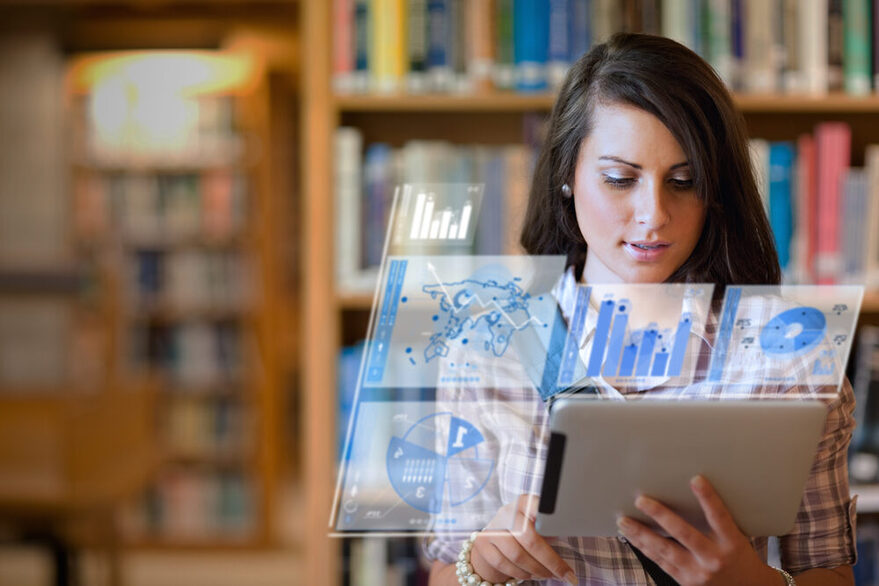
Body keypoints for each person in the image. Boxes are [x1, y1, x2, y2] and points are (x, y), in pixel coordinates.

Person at [423, 33, 856, 585]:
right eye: (619, 179)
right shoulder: (485, 351)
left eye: (684, 181)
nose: (653, 215)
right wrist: (479, 563)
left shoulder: (792, 358)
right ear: (566, 175)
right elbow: (444, 571)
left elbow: (829, 573)